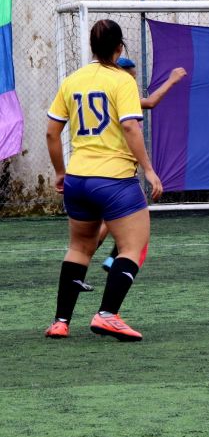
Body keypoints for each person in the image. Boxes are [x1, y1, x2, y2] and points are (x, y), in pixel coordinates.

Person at [44, 19, 163, 341]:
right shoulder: (121, 80)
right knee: (133, 246)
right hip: (113, 180)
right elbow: (129, 127)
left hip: (78, 179)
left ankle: (60, 321)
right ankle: (107, 315)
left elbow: (51, 132)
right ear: (119, 48)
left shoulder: (72, 80)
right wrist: (149, 169)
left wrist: (59, 171)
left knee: (79, 249)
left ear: (92, 47)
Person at [95, 58, 187, 272]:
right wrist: (171, 80)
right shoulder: (120, 97)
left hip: (107, 170)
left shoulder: (107, 95)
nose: (133, 81)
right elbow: (152, 102)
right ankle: (103, 261)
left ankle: (105, 259)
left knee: (118, 218)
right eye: (131, 77)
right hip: (118, 171)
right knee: (128, 219)